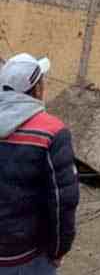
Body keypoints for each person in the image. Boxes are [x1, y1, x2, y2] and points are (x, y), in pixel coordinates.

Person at [0, 54, 78, 273]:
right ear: (36, 90)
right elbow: (62, 202)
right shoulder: (51, 131)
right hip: (27, 259)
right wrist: (58, 251)